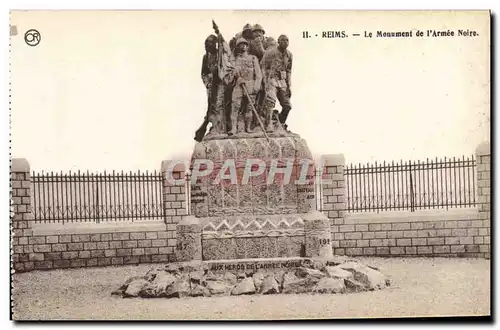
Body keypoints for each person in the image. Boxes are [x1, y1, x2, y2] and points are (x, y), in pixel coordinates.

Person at [227, 38, 263, 135]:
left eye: (244, 44)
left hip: (250, 84)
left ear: (247, 46)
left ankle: (248, 127)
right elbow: (230, 73)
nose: (242, 46)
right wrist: (237, 78)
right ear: (238, 47)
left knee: (249, 107)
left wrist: (256, 86)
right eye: (240, 45)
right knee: (235, 106)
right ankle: (234, 128)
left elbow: (258, 74)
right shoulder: (234, 60)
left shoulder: (253, 58)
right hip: (239, 85)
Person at [260, 34, 292, 130]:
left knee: (287, 106)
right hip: (271, 79)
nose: (285, 42)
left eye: (287, 40)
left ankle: (280, 123)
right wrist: (265, 80)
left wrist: (289, 85)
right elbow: (263, 65)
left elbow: (289, 70)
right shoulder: (271, 52)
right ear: (278, 42)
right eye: (282, 40)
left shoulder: (289, 55)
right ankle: (268, 124)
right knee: (270, 102)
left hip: (282, 81)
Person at [195, 35, 220, 142]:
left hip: (221, 84)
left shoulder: (221, 54)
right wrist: (207, 82)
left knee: (221, 105)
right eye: (206, 44)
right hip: (211, 85)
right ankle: (213, 125)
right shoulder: (206, 57)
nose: (208, 46)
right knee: (212, 106)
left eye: (210, 43)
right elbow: (203, 73)